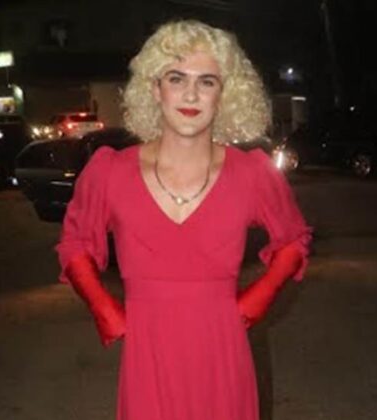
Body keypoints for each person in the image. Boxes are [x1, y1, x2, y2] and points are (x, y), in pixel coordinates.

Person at [56, 19, 312, 420]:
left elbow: (293, 240)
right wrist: (102, 306)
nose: (191, 94)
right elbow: (75, 243)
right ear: (155, 88)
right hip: (148, 356)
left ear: (224, 94)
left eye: (207, 81)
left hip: (223, 352)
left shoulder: (252, 173)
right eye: (176, 78)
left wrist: (259, 297)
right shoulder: (110, 172)